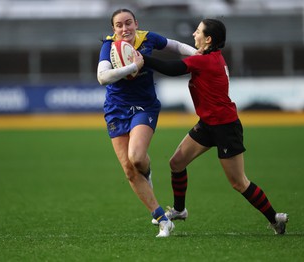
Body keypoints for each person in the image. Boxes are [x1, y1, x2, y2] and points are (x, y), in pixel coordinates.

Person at [142, 19, 289, 235]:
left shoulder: (206, 60)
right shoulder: (207, 57)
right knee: (177, 163)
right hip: (208, 123)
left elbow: (171, 69)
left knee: (239, 182)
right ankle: (180, 210)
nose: (194, 34)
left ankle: (275, 219)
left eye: (198, 31)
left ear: (208, 39)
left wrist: (142, 59)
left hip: (225, 127)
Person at [96, 8, 197, 237]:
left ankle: (147, 171)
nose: (125, 29)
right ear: (113, 29)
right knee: (130, 172)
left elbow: (175, 45)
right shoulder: (109, 46)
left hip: (144, 107)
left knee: (137, 158)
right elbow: (102, 77)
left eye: (128, 23)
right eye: (119, 25)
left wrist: (197, 53)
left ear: (136, 23)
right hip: (116, 110)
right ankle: (163, 219)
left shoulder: (147, 38)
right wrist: (133, 67)